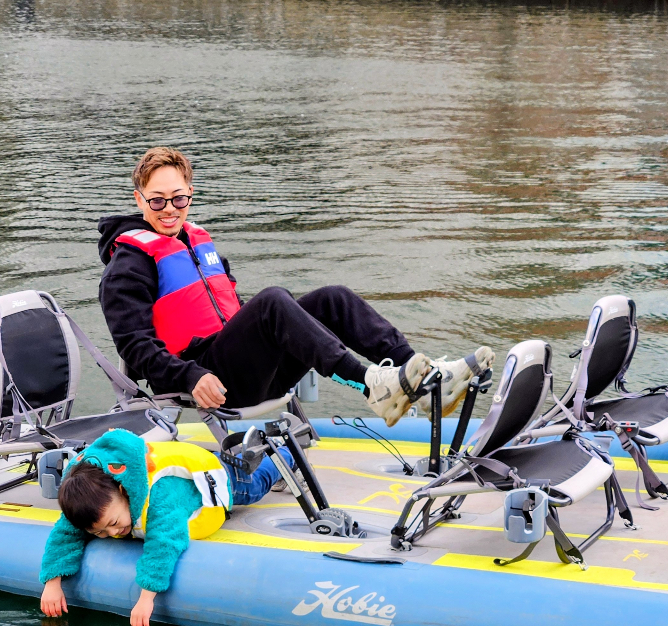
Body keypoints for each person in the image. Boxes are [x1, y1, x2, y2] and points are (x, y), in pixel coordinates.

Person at [97, 147, 494, 426]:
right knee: (273, 300)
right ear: (139, 200)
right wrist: (189, 377)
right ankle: (371, 385)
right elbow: (134, 347)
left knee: (333, 299)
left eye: (178, 199)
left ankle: (417, 377)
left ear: (190, 194)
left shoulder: (197, 242)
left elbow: (229, 311)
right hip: (209, 380)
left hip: (250, 369)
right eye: (158, 201)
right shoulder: (127, 266)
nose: (169, 210)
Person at [39, 427, 291, 626]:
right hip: (171, 481)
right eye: (99, 533)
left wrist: (145, 599)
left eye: (113, 524)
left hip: (220, 481)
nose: (112, 534)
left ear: (124, 491)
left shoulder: (159, 498)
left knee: (257, 485)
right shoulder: (91, 502)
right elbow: (65, 534)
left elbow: (165, 544)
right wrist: (52, 583)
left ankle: (286, 452)